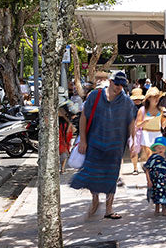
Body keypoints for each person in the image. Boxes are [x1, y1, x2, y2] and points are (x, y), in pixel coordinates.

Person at [71, 69, 137, 220]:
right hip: (94, 143)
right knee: (92, 173)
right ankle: (95, 200)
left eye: (122, 85)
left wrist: (133, 140)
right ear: (111, 82)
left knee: (111, 176)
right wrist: (83, 140)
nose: (119, 87)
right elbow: (84, 118)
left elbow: (131, 122)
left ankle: (108, 208)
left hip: (115, 146)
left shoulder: (126, 102)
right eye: (117, 84)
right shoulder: (95, 95)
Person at [144, 136, 166, 216]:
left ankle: (164, 210)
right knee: (156, 194)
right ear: (155, 148)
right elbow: (147, 169)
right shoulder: (153, 158)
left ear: (165, 148)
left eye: (162, 147)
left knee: (165, 194)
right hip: (155, 181)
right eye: (158, 148)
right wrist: (149, 180)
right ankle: (157, 209)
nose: (160, 149)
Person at [136, 87, 166, 163]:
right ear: (149, 98)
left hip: (157, 134)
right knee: (150, 156)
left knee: (158, 156)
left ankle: (154, 172)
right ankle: (150, 172)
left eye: (158, 97)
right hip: (146, 134)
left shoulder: (161, 110)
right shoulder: (142, 109)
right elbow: (137, 125)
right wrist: (144, 122)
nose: (156, 99)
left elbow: (163, 126)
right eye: (154, 97)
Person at [127, 87, 144, 174]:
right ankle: (135, 168)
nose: (137, 100)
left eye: (139, 99)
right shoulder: (129, 108)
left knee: (146, 149)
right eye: (136, 99)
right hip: (133, 130)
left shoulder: (145, 108)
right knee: (133, 149)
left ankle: (144, 165)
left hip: (144, 130)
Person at [58, 107, 74, 172]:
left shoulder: (66, 115)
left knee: (64, 151)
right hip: (60, 133)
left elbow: (70, 123)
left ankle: (62, 168)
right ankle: (62, 168)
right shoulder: (56, 114)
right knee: (62, 151)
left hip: (64, 133)